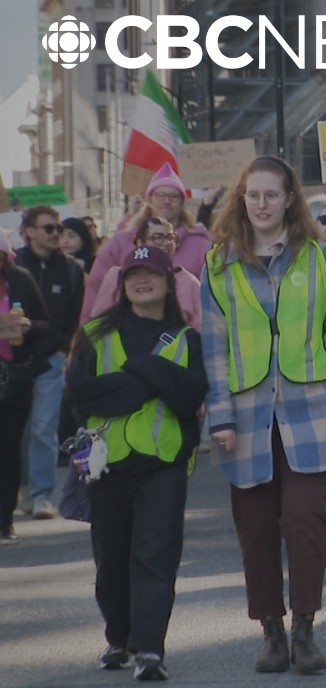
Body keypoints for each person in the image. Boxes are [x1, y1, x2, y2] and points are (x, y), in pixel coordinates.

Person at [201, 155, 326, 675]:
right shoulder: (218, 264)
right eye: (254, 195)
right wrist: (219, 417)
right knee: (255, 530)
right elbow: (215, 350)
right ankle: (271, 630)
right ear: (242, 200)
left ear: (290, 199)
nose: (263, 204)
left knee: (303, 521)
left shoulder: (319, 259)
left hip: (313, 413)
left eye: (273, 195)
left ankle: (305, 629)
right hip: (246, 420)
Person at [66, 245, 208, 681]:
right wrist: (153, 379)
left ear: (169, 283)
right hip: (106, 465)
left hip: (164, 463)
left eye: (151, 274)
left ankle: (149, 649)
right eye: (133, 275)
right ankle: (119, 639)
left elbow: (190, 397)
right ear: (121, 283)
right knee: (110, 560)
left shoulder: (188, 340)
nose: (141, 281)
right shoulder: (93, 335)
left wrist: (143, 370)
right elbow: (82, 396)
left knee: (156, 557)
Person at [15, 206, 85, 521]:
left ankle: (42, 495)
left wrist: (62, 349)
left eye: (58, 228)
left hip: (51, 358)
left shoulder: (70, 269)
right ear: (28, 232)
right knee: (20, 428)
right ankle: (23, 489)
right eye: (48, 228)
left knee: (44, 426)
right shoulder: (13, 266)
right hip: (13, 359)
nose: (56, 233)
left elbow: (74, 314)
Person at [84, 164, 211, 323]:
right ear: (149, 199)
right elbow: (95, 291)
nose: (166, 201)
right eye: (160, 195)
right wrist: (85, 339)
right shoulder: (120, 243)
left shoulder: (199, 246)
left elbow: (210, 299)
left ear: (183, 203)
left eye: (174, 196)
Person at [0, 231, 49, 544]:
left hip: (14, 378)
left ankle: (4, 521)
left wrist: (29, 325)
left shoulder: (21, 279)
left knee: (7, 451)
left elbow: (46, 324)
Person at [89, 217, 202, 327]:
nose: (166, 243)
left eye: (170, 237)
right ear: (140, 243)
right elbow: (98, 320)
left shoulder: (189, 282)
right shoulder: (116, 275)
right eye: (158, 237)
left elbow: (200, 327)